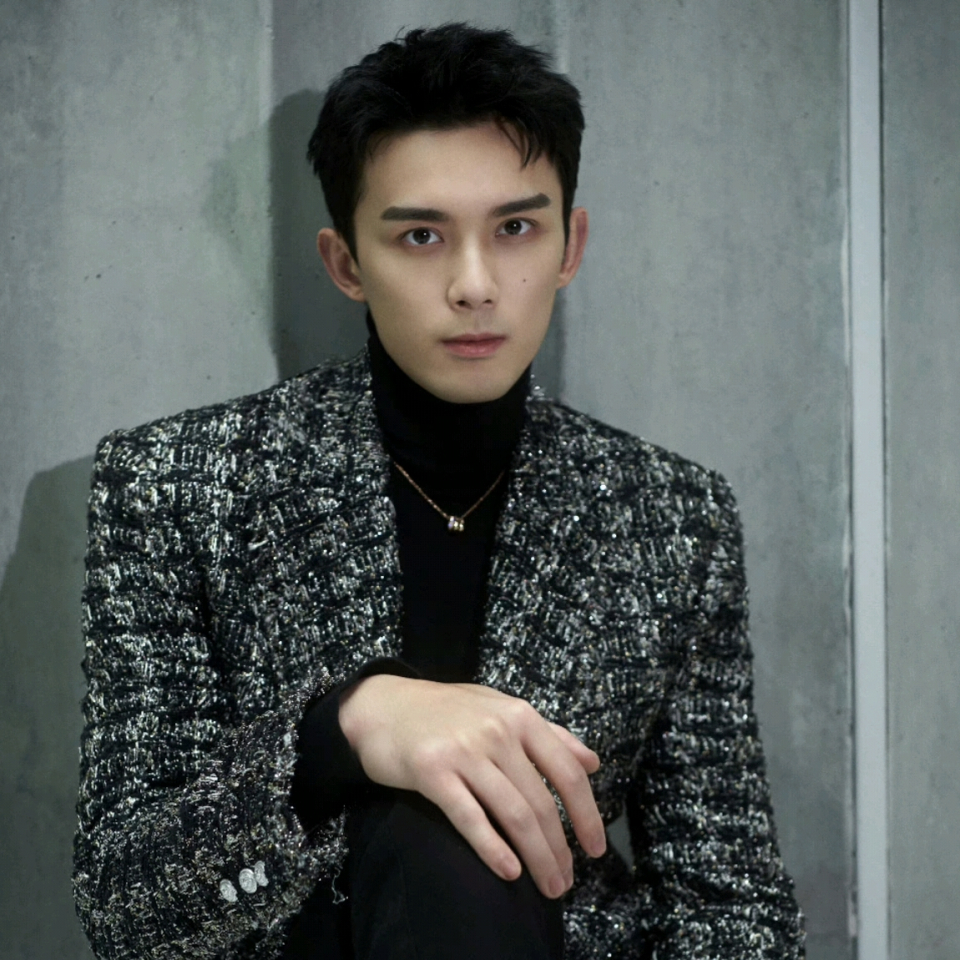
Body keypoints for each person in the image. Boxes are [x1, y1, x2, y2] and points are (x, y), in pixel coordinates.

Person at [73, 23, 806, 960]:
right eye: (421, 236)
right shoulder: (176, 485)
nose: (474, 284)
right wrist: (343, 730)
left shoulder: (671, 517)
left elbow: (734, 910)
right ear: (346, 263)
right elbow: (125, 909)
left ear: (571, 244)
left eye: (516, 229)